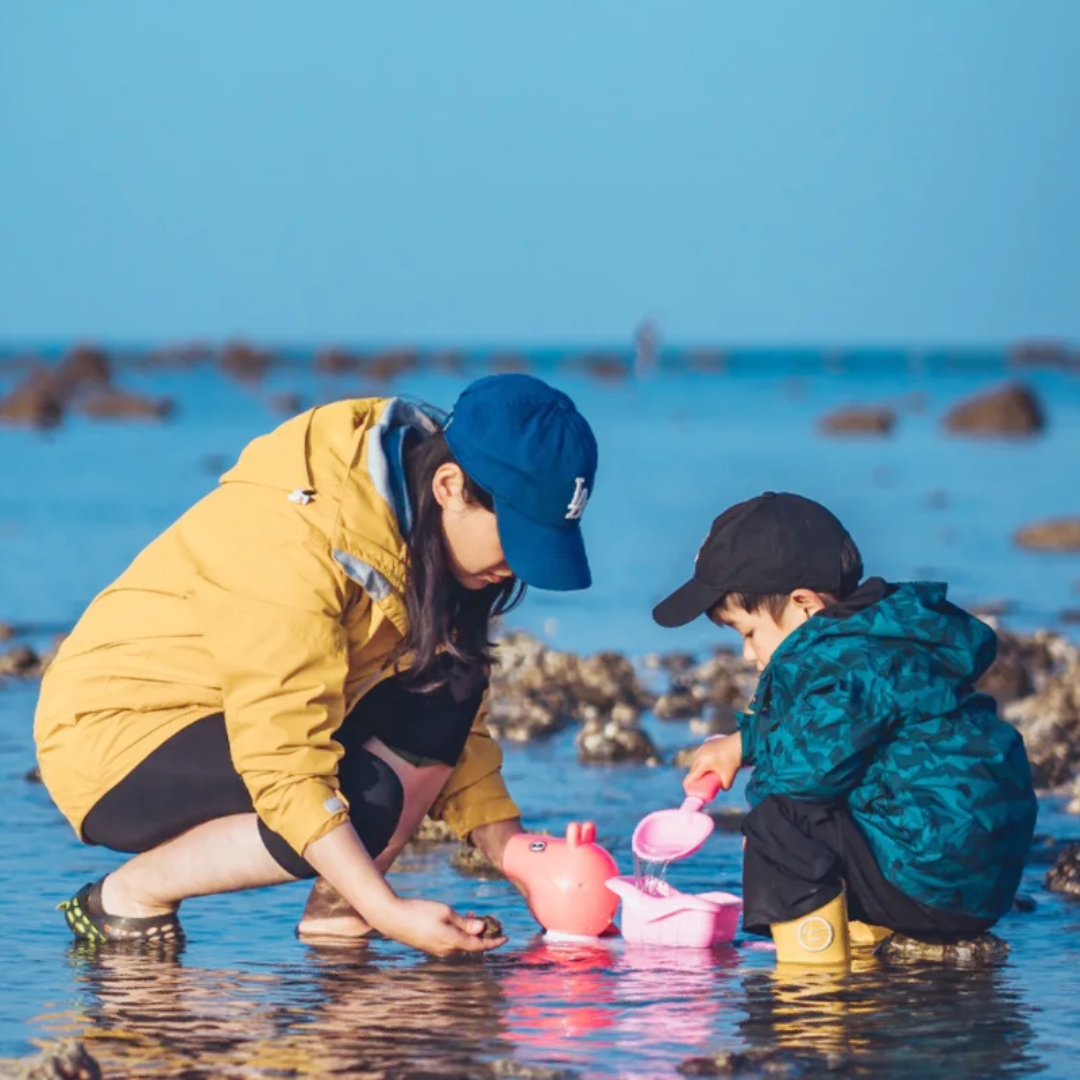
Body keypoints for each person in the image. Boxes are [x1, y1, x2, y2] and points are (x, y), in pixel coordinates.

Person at [35, 373, 599, 957]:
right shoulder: (299, 539)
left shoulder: (422, 525)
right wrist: (390, 909)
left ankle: (339, 915)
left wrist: (520, 858)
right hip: (115, 740)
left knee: (452, 679)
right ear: (451, 485)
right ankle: (130, 897)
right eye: (518, 540)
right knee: (364, 800)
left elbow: (450, 721)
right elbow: (285, 763)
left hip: (235, 718)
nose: (518, 569)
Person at [653, 492, 1037, 965]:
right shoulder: (884, 640)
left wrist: (758, 770)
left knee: (780, 821)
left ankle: (813, 984)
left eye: (748, 633)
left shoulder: (838, 663)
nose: (750, 655)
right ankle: (866, 932)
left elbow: (800, 776)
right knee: (838, 794)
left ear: (805, 605)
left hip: (929, 881)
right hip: (978, 880)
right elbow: (840, 732)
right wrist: (745, 742)